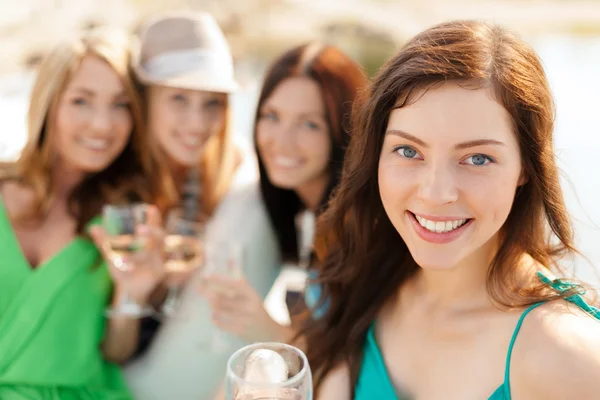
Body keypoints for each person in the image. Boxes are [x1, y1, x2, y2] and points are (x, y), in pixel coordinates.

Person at [304, 20, 600, 399]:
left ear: (526, 167)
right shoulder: (368, 277)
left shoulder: (562, 355)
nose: (435, 193)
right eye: (408, 151)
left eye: (477, 158)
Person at [123, 12, 280, 400]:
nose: (198, 123)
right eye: (179, 98)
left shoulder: (240, 181)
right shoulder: (119, 185)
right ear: (144, 100)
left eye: (212, 103)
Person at [0, 26, 163, 398]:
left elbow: (114, 353)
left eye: (120, 105)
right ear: (49, 105)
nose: (102, 125)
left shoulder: (124, 219)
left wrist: (130, 294)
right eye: (81, 101)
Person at [200, 42, 368, 345]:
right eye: (272, 116)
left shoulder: (359, 227)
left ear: (345, 132)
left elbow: (359, 355)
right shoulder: (308, 211)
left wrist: (270, 331)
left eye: (309, 124)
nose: (282, 141)